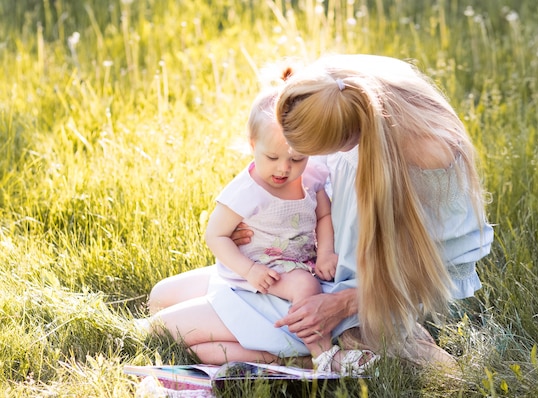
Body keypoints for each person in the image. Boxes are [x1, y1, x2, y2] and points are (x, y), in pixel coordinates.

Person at [146, 53, 493, 371]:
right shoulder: (335, 89)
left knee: (159, 331)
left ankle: (325, 351)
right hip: (295, 264)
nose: (293, 162)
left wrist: (344, 303)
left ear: (346, 138)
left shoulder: (428, 155)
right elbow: (292, 180)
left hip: (335, 292)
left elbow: (439, 271)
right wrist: (259, 220)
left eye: (302, 155)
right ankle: (308, 349)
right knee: (160, 297)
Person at [147, 85, 378, 374]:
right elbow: (215, 235)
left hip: (292, 269)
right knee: (159, 305)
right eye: (272, 158)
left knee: (304, 285)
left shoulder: (311, 175)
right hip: (254, 272)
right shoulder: (247, 191)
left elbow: (323, 214)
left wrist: (326, 253)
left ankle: (322, 356)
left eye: (296, 159)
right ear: (252, 143)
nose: (284, 169)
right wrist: (249, 270)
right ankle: (300, 356)